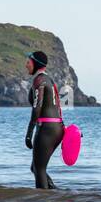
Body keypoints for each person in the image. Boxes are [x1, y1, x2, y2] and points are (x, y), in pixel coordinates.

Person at [24, 51, 63, 189]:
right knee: (36, 167)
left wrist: (29, 132)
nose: (26, 65)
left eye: (28, 62)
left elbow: (37, 107)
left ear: (35, 63)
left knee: (39, 169)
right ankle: (56, 196)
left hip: (47, 128)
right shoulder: (48, 79)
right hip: (56, 127)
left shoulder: (39, 80)